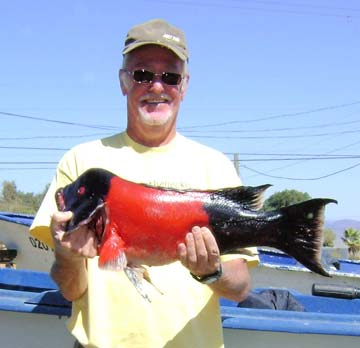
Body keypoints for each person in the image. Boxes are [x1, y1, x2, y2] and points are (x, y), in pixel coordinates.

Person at [30, 18, 258, 348]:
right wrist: (68, 257)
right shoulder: (81, 163)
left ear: (185, 85)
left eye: (170, 76)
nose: (156, 86)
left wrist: (212, 272)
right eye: (142, 74)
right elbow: (71, 289)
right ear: (123, 81)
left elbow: (240, 288)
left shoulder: (216, 167)